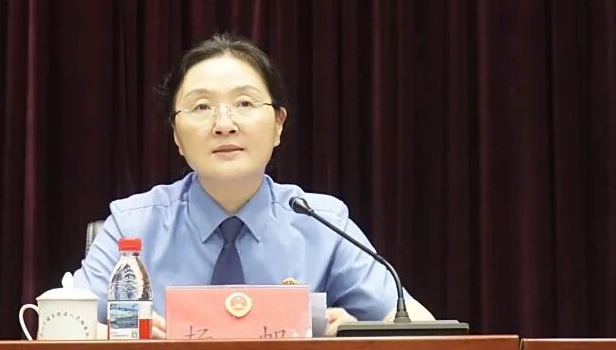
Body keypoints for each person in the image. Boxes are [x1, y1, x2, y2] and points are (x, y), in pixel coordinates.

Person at [73, 33, 416, 337]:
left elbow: (418, 326)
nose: (224, 124)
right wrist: (120, 334)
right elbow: (64, 325)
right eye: (202, 106)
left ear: (278, 124)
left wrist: (358, 334)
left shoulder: (322, 223)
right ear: (176, 134)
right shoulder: (133, 225)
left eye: (245, 103)